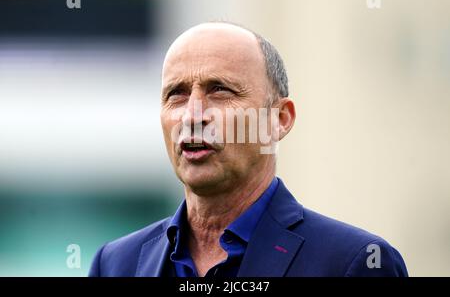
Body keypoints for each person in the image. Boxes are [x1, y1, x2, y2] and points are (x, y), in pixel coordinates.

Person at [88, 22, 408, 277]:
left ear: (279, 119)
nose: (193, 115)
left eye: (220, 90)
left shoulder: (355, 263)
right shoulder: (116, 264)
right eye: (177, 94)